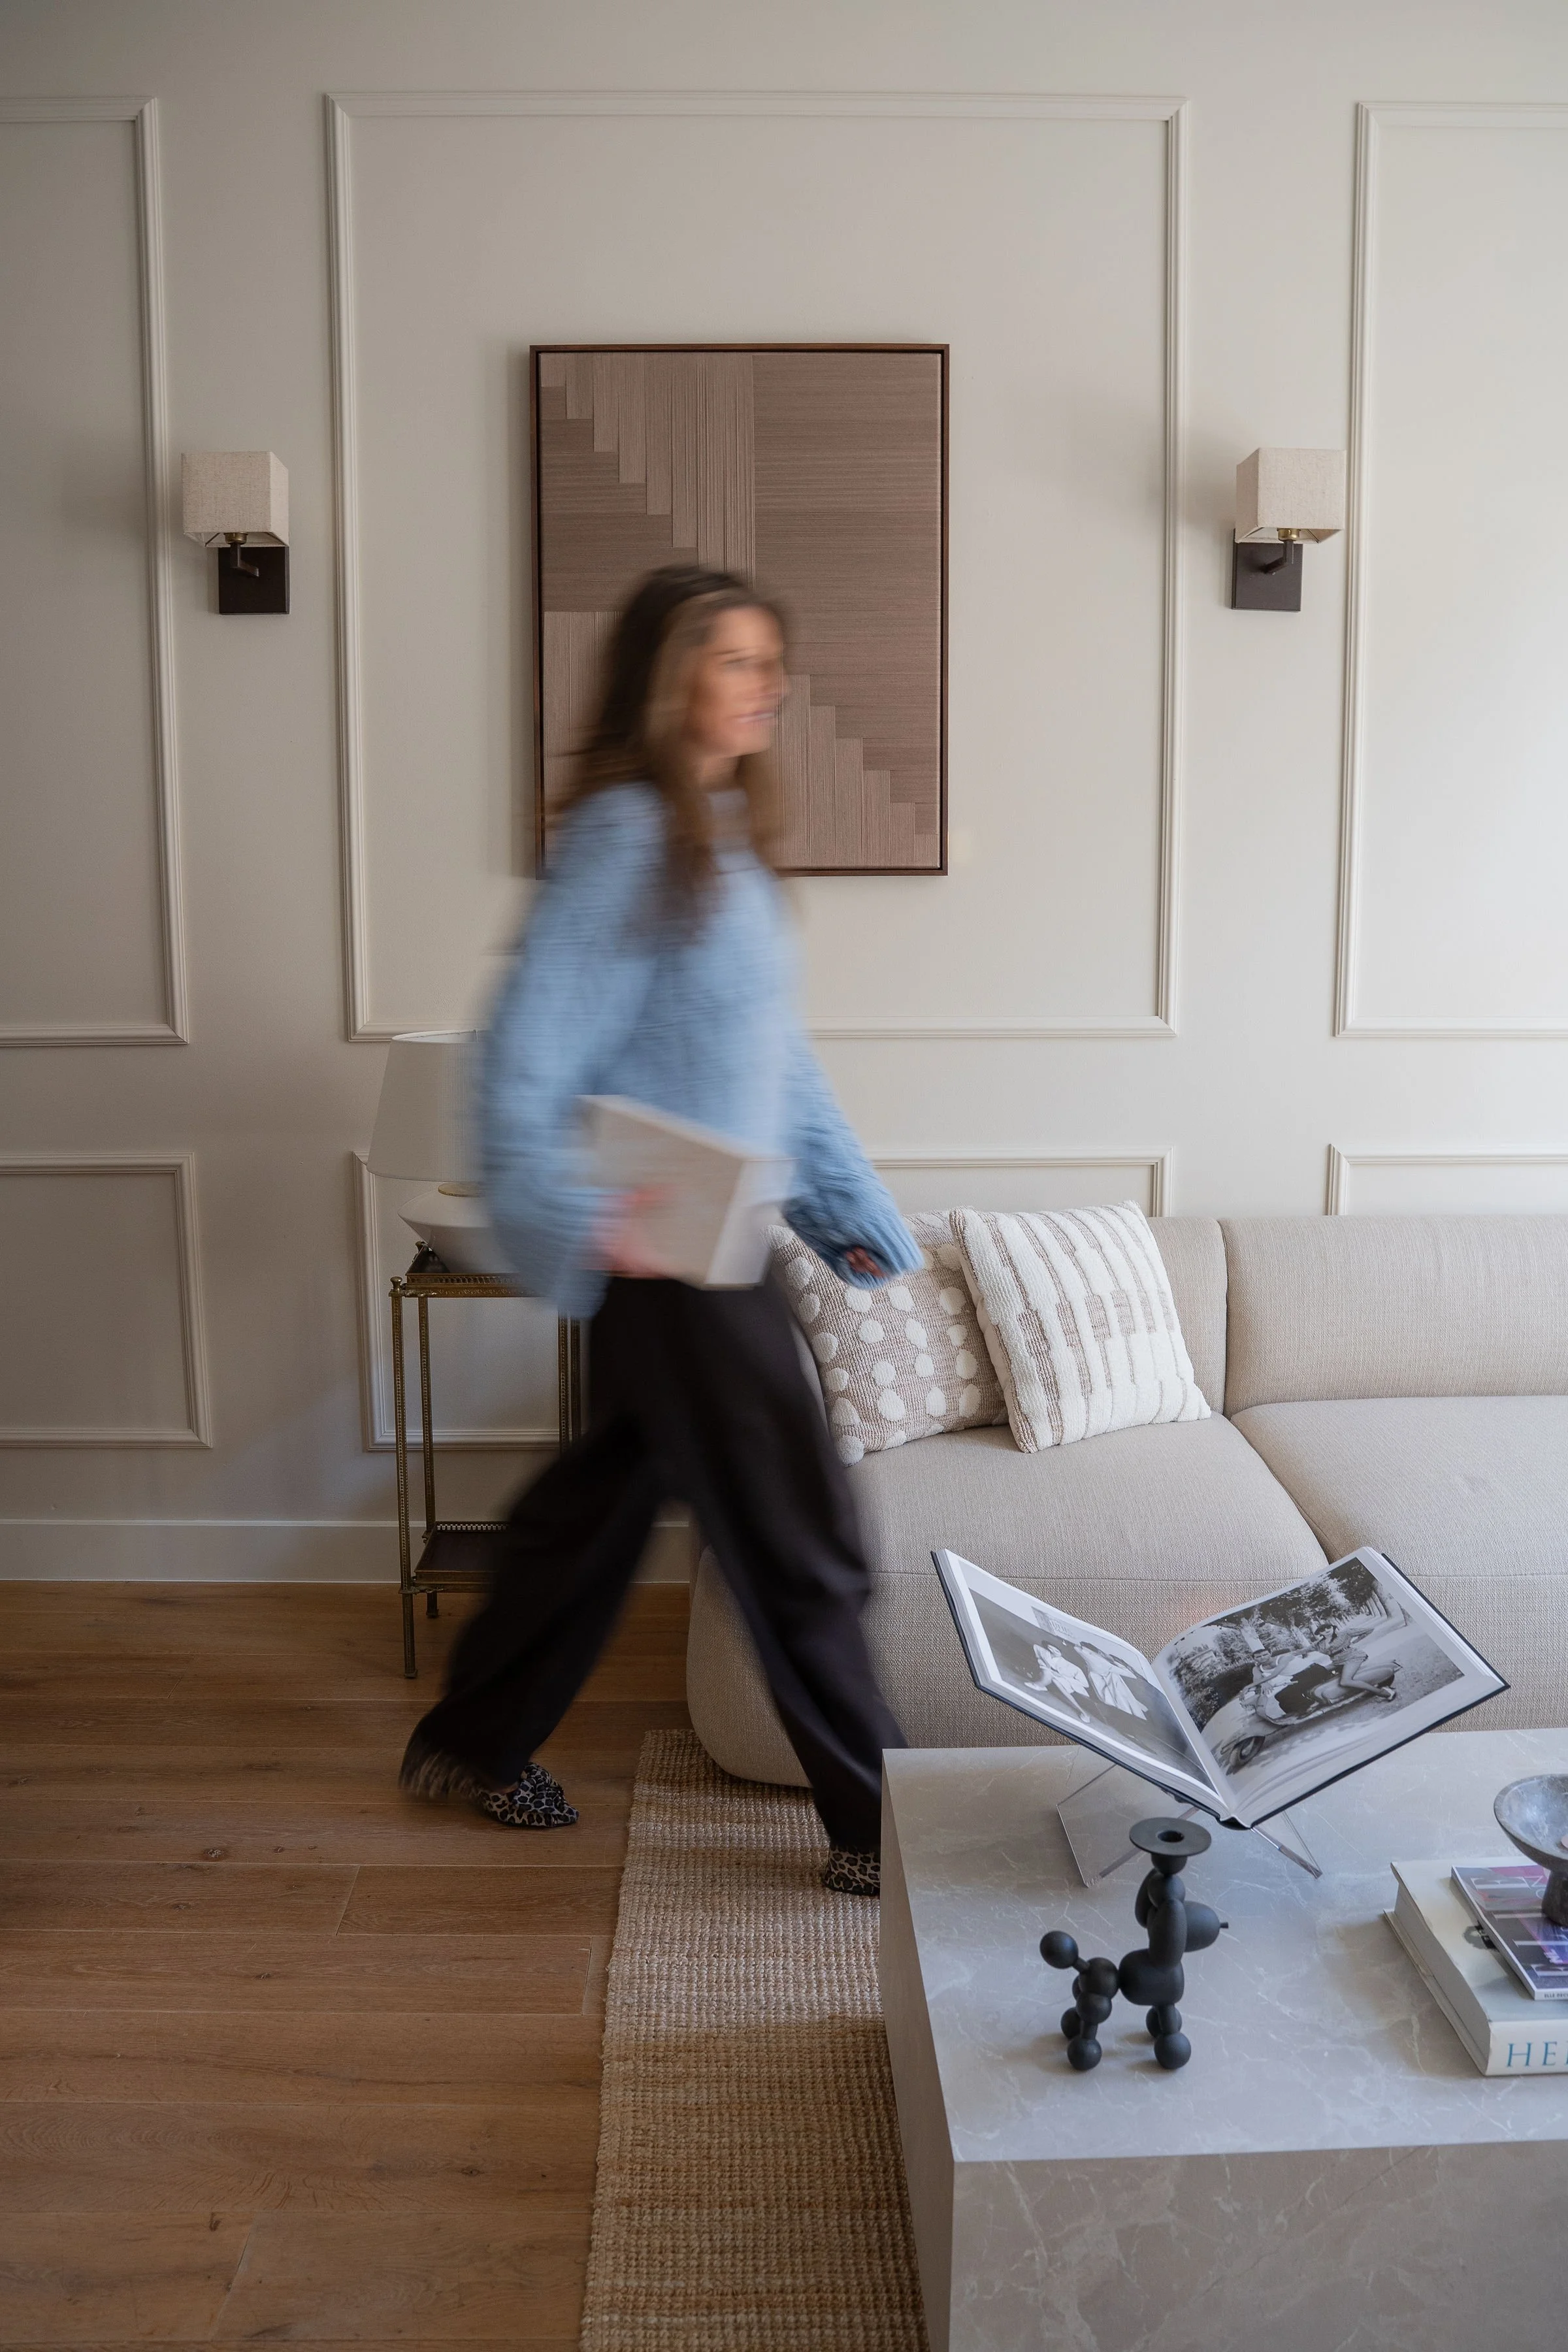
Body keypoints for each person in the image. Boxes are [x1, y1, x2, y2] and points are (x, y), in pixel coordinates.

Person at [399, 564, 921, 1895]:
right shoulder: (630, 837)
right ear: (667, 677)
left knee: (591, 1516)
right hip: (674, 1251)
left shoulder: (719, 835)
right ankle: (882, 1833)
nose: (770, 684)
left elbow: (772, 1060)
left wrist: (846, 1208)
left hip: (704, 1241)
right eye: (736, 659)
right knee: (801, 1539)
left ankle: (471, 1741)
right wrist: (577, 1214)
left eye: (770, 659)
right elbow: (522, 1051)